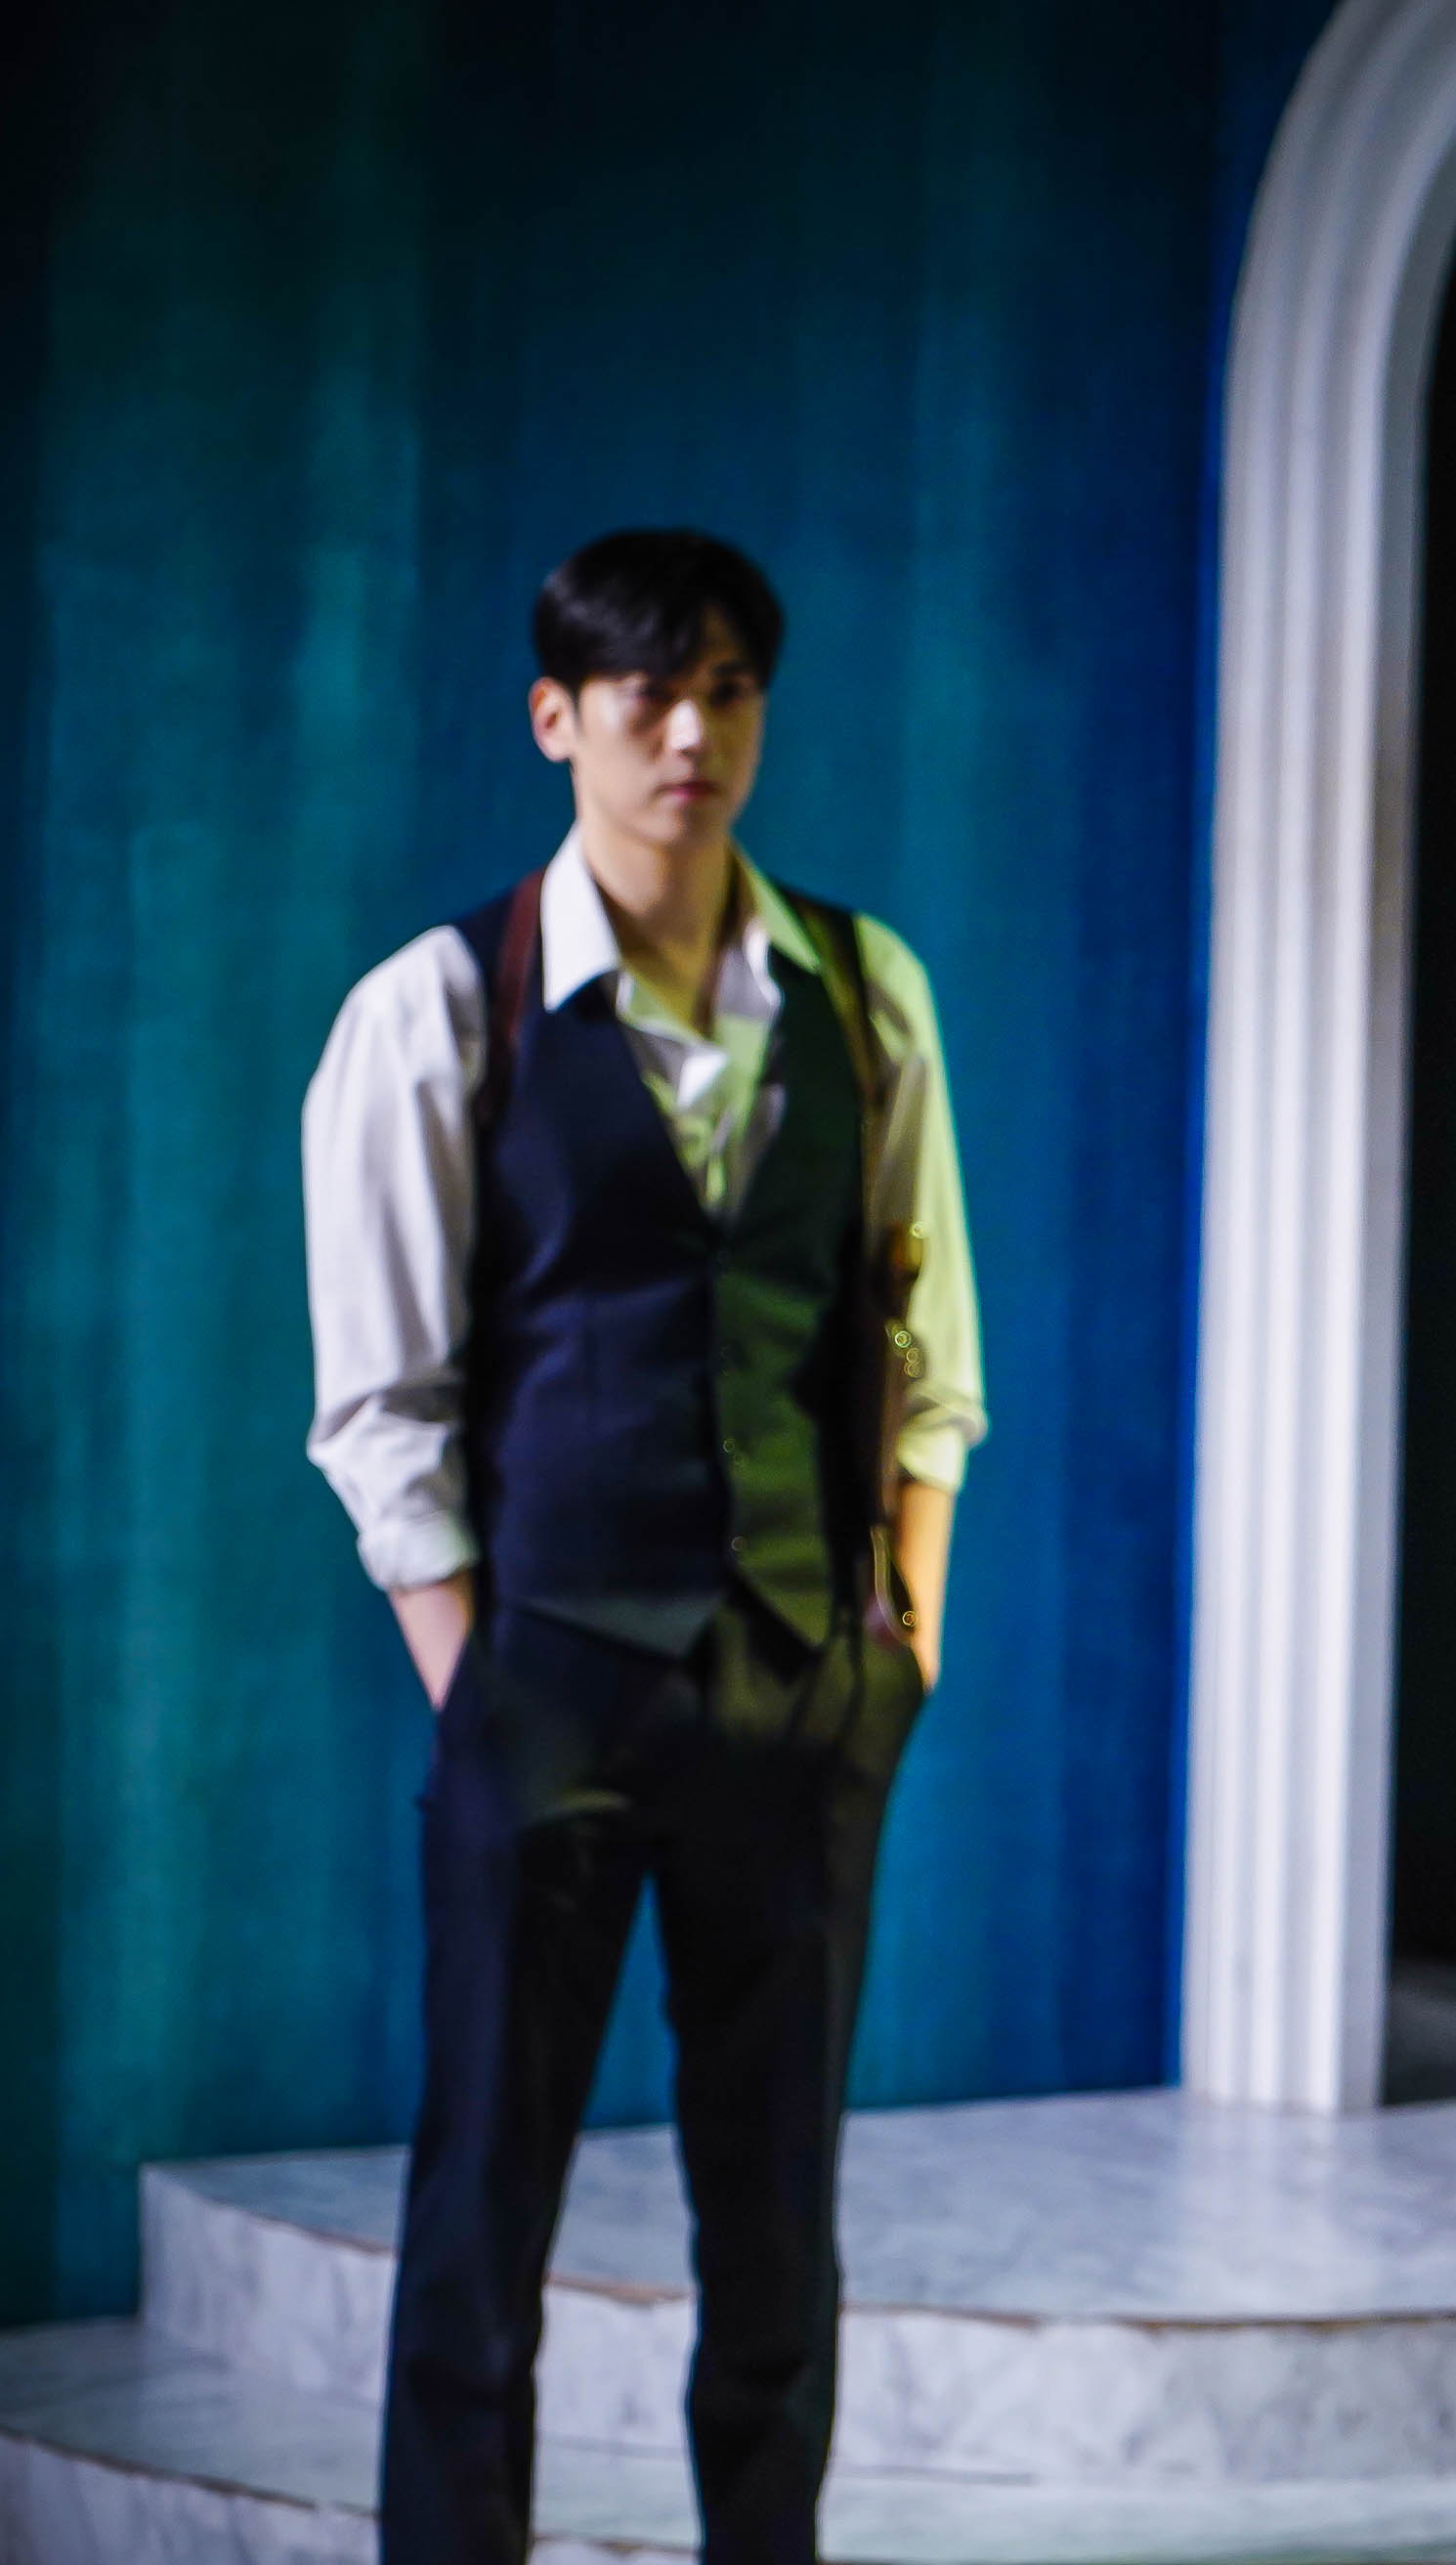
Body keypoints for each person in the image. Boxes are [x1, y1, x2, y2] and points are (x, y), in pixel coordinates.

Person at [301, 528, 984, 2565]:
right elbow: (381, 1401)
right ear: (559, 718)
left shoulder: (866, 989)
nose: (692, 734)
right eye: (646, 695)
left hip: (802, 1690)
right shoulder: (439, 1006)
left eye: (729, 692)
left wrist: (902, 1645)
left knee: (777, 2229)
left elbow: (924, 1345)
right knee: (479, 2219)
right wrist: (481, 1681)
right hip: (545, 1691)